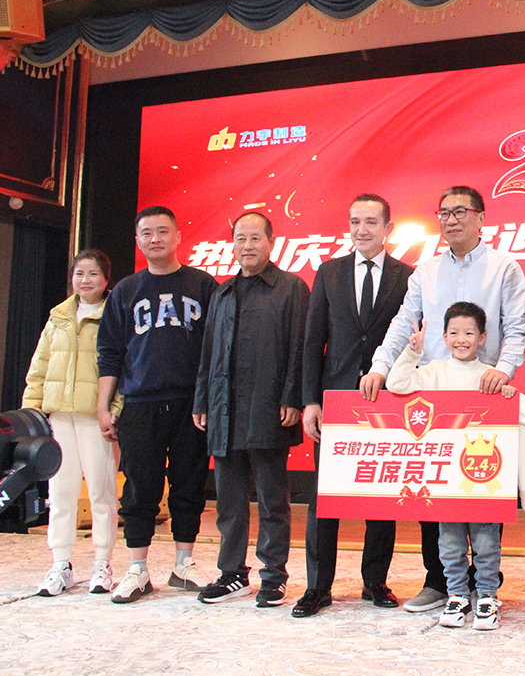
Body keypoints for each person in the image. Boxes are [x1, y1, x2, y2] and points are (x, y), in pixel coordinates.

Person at [363, 185, 525, 613]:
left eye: (460, 211)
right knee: (432, 488)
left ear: (481, 217)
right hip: (433, 393)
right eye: (444, 213)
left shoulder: (504, 267)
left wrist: (503, 370)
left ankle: (485, 584)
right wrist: (381, 366)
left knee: (485, 485)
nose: (451, 220)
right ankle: (440, 581)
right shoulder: (427, 270)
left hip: (484, 392)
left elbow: (516, 327)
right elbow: (404, 321)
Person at [387, 302, 525, 631]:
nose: (461, 339)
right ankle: (457, 595)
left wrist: (509, 397)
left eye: (468, 333)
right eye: (453, 333)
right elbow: (397, 384)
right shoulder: (433, 372)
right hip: (446, 480)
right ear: (444, 337)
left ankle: (488, 596)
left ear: (482, 338)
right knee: (449, 543)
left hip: (485, 479)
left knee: (486, 542)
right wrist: (412, 353)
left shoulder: (489, 376)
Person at [295, 194, 413, 617]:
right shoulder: (329, 273)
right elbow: (313, 342)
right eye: (354, 222)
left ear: (388, 228)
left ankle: (375, 581)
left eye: (370, 222)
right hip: (337, 399)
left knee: (381, 495)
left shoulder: (407, 276)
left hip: (387, 398)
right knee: (325, 497)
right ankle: (317, 587)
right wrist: (311, 401)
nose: (361, 230)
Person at [97, 206, 219, 603]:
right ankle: (137, 569)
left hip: (190, 403)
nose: (155, 239)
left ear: (178, 236)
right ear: (138, 241)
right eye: (147, 232)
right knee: (139, 487)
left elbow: (217, 349)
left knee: (189, 484)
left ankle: (184, 563)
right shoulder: (126, 291)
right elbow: (110, 353)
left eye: (163, 231)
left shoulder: (203, 285)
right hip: (139, 403)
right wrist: (103, 406)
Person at [192, 212, 309, 607]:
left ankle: (273, 577)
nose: (247, 246)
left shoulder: (291, 288)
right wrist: (202, 400)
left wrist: (293, 396)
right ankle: (232, 574)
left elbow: (300, 347)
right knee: (228, 501)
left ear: (271, 242)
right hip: (224, 409)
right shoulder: (222, 293)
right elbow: (208, 353)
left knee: (273, 500)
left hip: (268, 407)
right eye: (240, 238)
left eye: (255, 238)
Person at [24, 249, 122, 596]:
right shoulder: (58, 317)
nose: (85, 280)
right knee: (61, 493)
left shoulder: (114, 315)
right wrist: (31, 413)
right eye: (79, 273)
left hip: (96, 419)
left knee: (101, 493)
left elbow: (124, 368)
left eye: (93, 274)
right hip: (59, 418)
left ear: (106, 279)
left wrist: (114, 410)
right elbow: (39, 366)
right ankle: (60, 564)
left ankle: (102, 563)